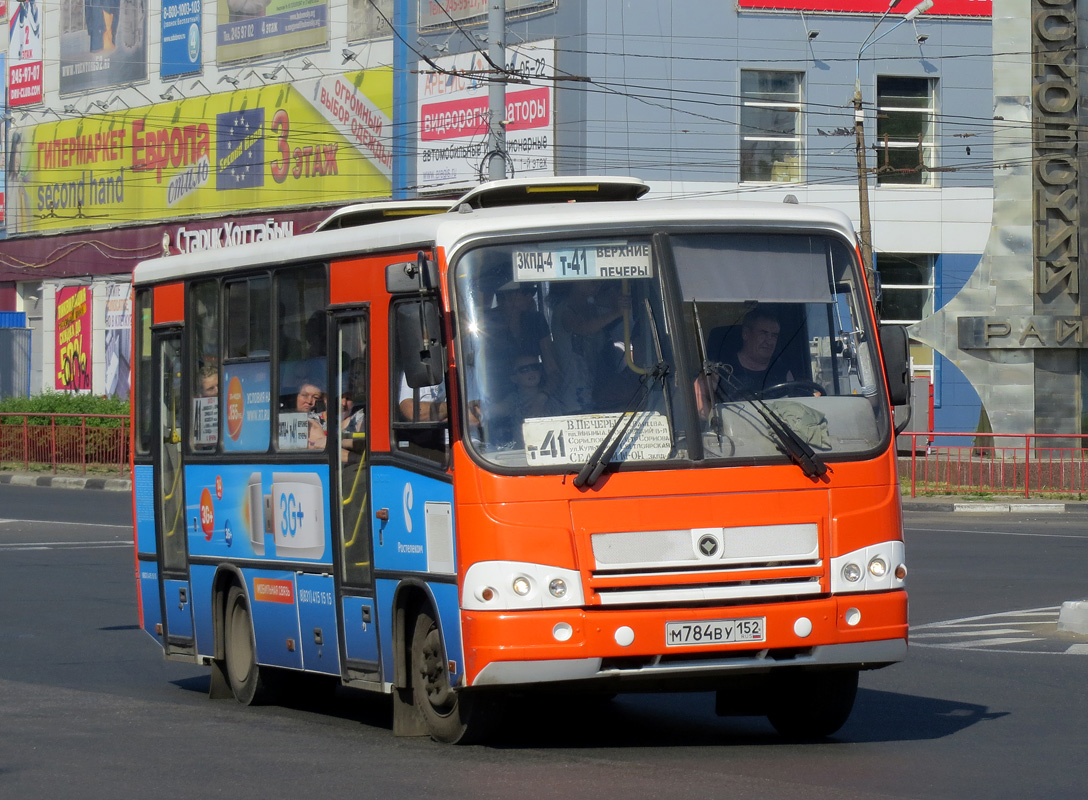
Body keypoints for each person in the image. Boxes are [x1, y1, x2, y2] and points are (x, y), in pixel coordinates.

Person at [713, 307, 792, 398]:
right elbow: (701, 400)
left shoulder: (784, 373)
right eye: (763, 333)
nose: (769, 341)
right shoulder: (720, 372)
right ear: (745, 334)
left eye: (774, 336)